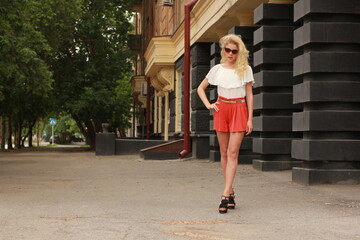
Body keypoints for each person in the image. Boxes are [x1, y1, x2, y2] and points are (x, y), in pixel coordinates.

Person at [197, 34, 254, 214]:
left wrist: (250, 118)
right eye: (227, 50)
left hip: (239, 109)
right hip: (222, 109)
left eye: (234, 51)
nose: (230, 54)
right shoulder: (217, 69)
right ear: (223, 50)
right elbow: (200, 88)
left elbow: (249, 95)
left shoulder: (246, 70)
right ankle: (230, 191)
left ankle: (224, 196)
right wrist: (208, 105)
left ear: (239, 52)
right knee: (223, 152)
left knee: (233, 152)